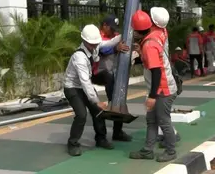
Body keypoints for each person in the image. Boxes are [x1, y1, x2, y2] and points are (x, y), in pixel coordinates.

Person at [63, 24, 129, 156]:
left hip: (83, 86)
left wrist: (128, 32)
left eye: (96, 43)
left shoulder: (94, 46)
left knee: (98, 111)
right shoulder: (79, 57)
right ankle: (73, 143)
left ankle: (101, 139)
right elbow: (85, 82)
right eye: (92, 43)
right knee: (81, 114)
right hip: (72, 88)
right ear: (85, 41)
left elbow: (109, 43)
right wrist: (95, 100)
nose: (95, 46)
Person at [129, 10, 178, 162]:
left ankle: (171, 151)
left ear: (138, 31)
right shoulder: (160, 32)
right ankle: (147, 150)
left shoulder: (149, 45)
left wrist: (152, 96)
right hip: (161, 87)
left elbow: (156, 71)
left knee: (163, 121)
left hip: (162, 89)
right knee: (151, 120)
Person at [91, 15, 133, 146]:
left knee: (119, 98)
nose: (113, 31)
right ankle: (111, 103)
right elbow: (101, 49)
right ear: (104, 25)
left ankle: (117, 132)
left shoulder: (113, 36)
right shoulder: (96, 36)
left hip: (110, 74)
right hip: (97, 73)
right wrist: (115, 48)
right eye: (111, 28)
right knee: (107, 99)